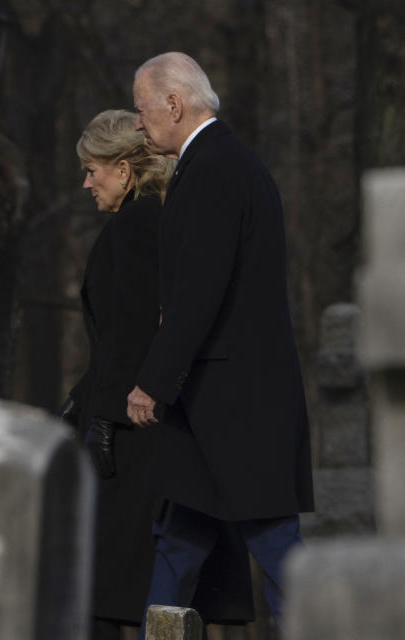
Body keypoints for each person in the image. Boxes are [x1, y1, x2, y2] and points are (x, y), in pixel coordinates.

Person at [126, 52, 315, 629]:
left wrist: (152, 382)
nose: (138, 123)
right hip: (218, 400)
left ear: (174, 104)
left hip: (234, 403)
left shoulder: (214, 168)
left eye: (142, 108)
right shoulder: (218, 162)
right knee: (178, 539)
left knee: (277, 547)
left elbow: (198, 295)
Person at [59, 108, 173, 640]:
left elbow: (129, 336)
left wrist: (100, 419)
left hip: (126, 432)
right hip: (123, 418)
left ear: (124, 170)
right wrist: (78, 399)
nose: (86, 182)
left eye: (92, 169)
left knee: (103, 583)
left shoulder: (135, 227)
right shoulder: (145, 222)